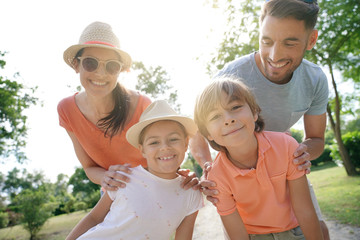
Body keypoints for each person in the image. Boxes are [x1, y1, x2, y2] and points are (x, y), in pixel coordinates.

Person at [190, 0, 329, 238]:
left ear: (311, 40)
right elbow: (196, 131)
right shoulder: (229, 78)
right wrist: (207, 169)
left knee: (319, 230)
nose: (274, 55)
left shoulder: (314, 79)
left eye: (289, 43)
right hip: (241, 182)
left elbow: (316, 139)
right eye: (266, 41)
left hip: (285, 167)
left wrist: (297, 154)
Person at [58, 21, 198, 192]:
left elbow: (168, 147)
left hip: (156, 186)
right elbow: (89, 167)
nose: (101, 73)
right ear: (76, 65)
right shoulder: (66, 110)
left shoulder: (141, 105)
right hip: (114, 190)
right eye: (90, 63)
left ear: (120, 70)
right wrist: (106, 178)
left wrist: (178, 173)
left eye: (111, 66)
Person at [194, 78, 323, 240]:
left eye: (235, 107)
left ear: (254, 112)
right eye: (215, 117)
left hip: (295, 231)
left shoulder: (286, 146)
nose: (228, 119)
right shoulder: (216, 177)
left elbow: (305, 211)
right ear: (208, 134)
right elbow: (237, 235)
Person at [66, 100, 204, 240]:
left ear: (186, 143)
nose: (164, 147)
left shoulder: (191, 193)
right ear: (142, 149)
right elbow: (94, 217)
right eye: (154, 142)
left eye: (173, 139)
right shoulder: (123, 178)